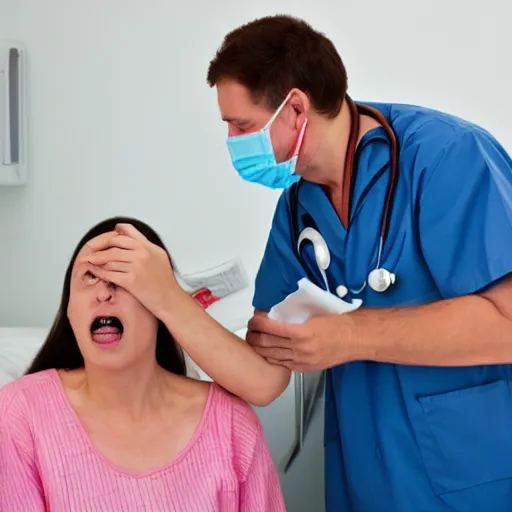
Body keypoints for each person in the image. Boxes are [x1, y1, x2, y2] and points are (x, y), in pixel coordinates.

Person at [79, 16, 512, 512]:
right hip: (368, 481)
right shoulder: (299, 209)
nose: (232, 141)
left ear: (297, 107)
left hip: (475, 478)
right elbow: (264, 377)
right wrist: (167, 299)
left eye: (241, 125)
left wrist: (348, 337)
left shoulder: (446, 158)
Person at [0, 216, 286, 512]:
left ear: (161, 306)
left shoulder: (232, 425)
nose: (103, 292)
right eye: (88, 277)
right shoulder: (20, 414)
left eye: (122, 277)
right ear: (69, 310)